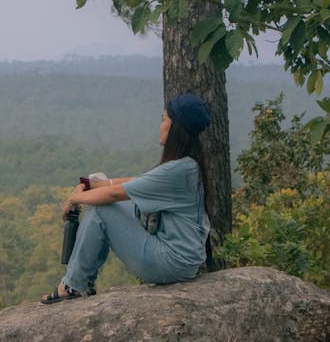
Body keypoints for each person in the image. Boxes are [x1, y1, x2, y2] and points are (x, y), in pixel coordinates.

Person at [40, 93, 212, 304]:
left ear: (175, 127)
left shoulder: (179, 169)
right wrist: (91, 185)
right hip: (182, 259)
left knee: (102, 210)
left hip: (171, 262)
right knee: (107, 204)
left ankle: (73, 284)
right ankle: (81, 282)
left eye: (164, 119)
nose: (161, 125)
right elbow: (136, 181)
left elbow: (115, 194)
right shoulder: (188, 164)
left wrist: (76, 199)